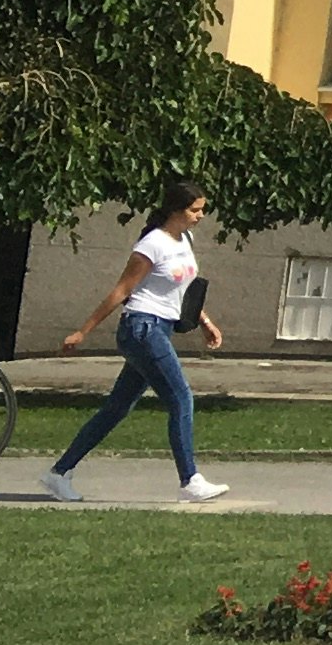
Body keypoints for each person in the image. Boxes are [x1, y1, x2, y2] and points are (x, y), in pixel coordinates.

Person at [41, 184, 228, 504]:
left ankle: (59, 473)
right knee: (181, 397)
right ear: (175, 209)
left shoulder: (185, 239)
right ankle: (190, 480)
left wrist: (204, 322)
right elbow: (121, 291)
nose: (200, 216)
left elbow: (182, 289)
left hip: (159, 329)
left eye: (201, 209)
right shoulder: (152, 244)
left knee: (117, 408)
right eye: (194, 209)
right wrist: (83, 332)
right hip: (142, 329)